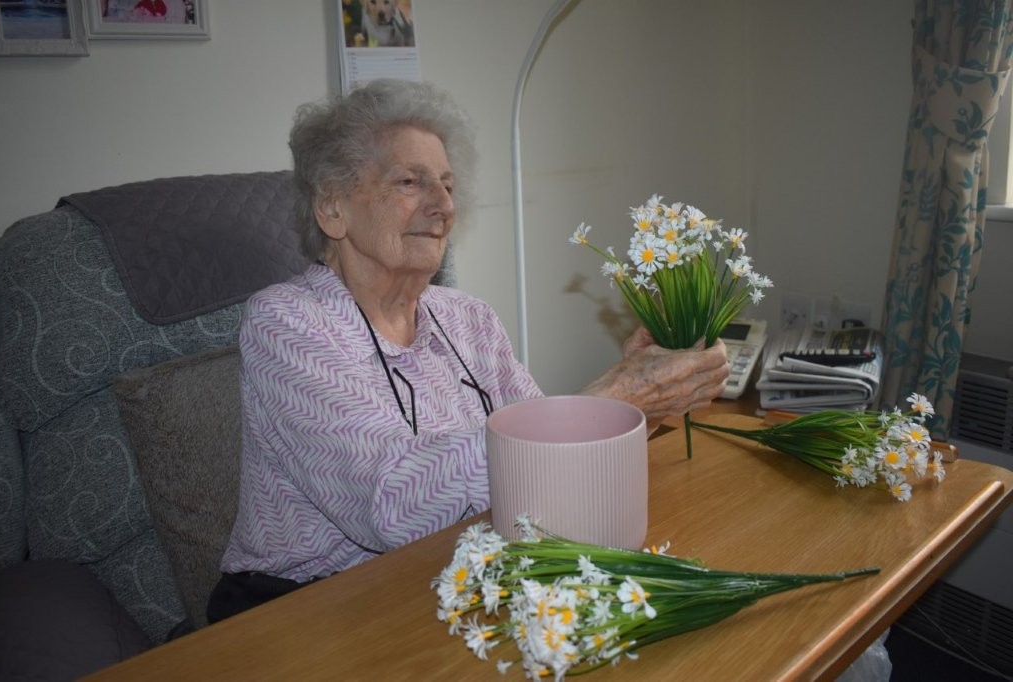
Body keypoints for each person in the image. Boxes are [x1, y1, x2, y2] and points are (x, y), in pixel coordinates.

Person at [207, 79, 729, 623]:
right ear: (333, 208)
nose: (442, 206)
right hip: (304, 610)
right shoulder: (287, 324)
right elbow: (387, 507)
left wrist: (642, 400)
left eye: (448, 186)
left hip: (452, 574)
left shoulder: (468, 318)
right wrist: (609, 398)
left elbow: (545, 472)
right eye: (411, 181)